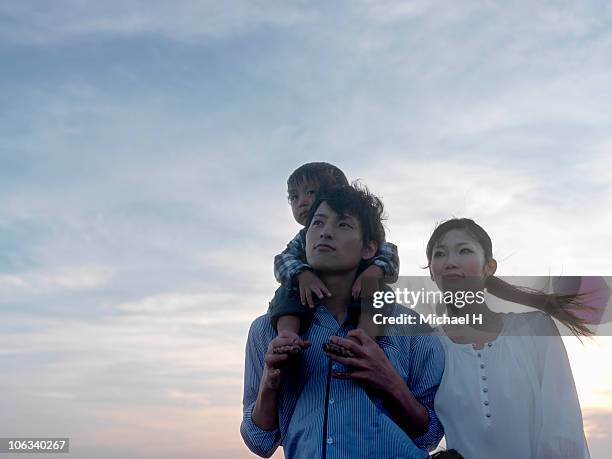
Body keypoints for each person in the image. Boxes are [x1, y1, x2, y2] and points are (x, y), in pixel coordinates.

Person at [241, 184, 444, 458]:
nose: (325, 231)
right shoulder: (268, 330)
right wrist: (270, 382)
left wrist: (390, 382)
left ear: (369, 248)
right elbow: (260, 442)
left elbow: (430, 434)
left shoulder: (412, 327)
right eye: (318, 222)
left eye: (344, 225)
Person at [426, 218, 591, 459]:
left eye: (464, 251)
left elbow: (564, 428)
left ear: (489, 267)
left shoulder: (535, 329)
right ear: (431, 272)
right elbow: (420, 430)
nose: (450, 262)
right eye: (439, 254)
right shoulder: (429, 346)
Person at [270, 162, 399, 346]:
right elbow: (283, 261)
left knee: (379, 293)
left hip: (358, 292)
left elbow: (388, 252)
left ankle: (364, 338)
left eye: (311, 192)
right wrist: (302, 274)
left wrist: (375, 271)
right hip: (308, 296)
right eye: (294, 197)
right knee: (286, 292)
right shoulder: (303, 238)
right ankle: (287, 336)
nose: (302, 202)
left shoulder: (364, 227)